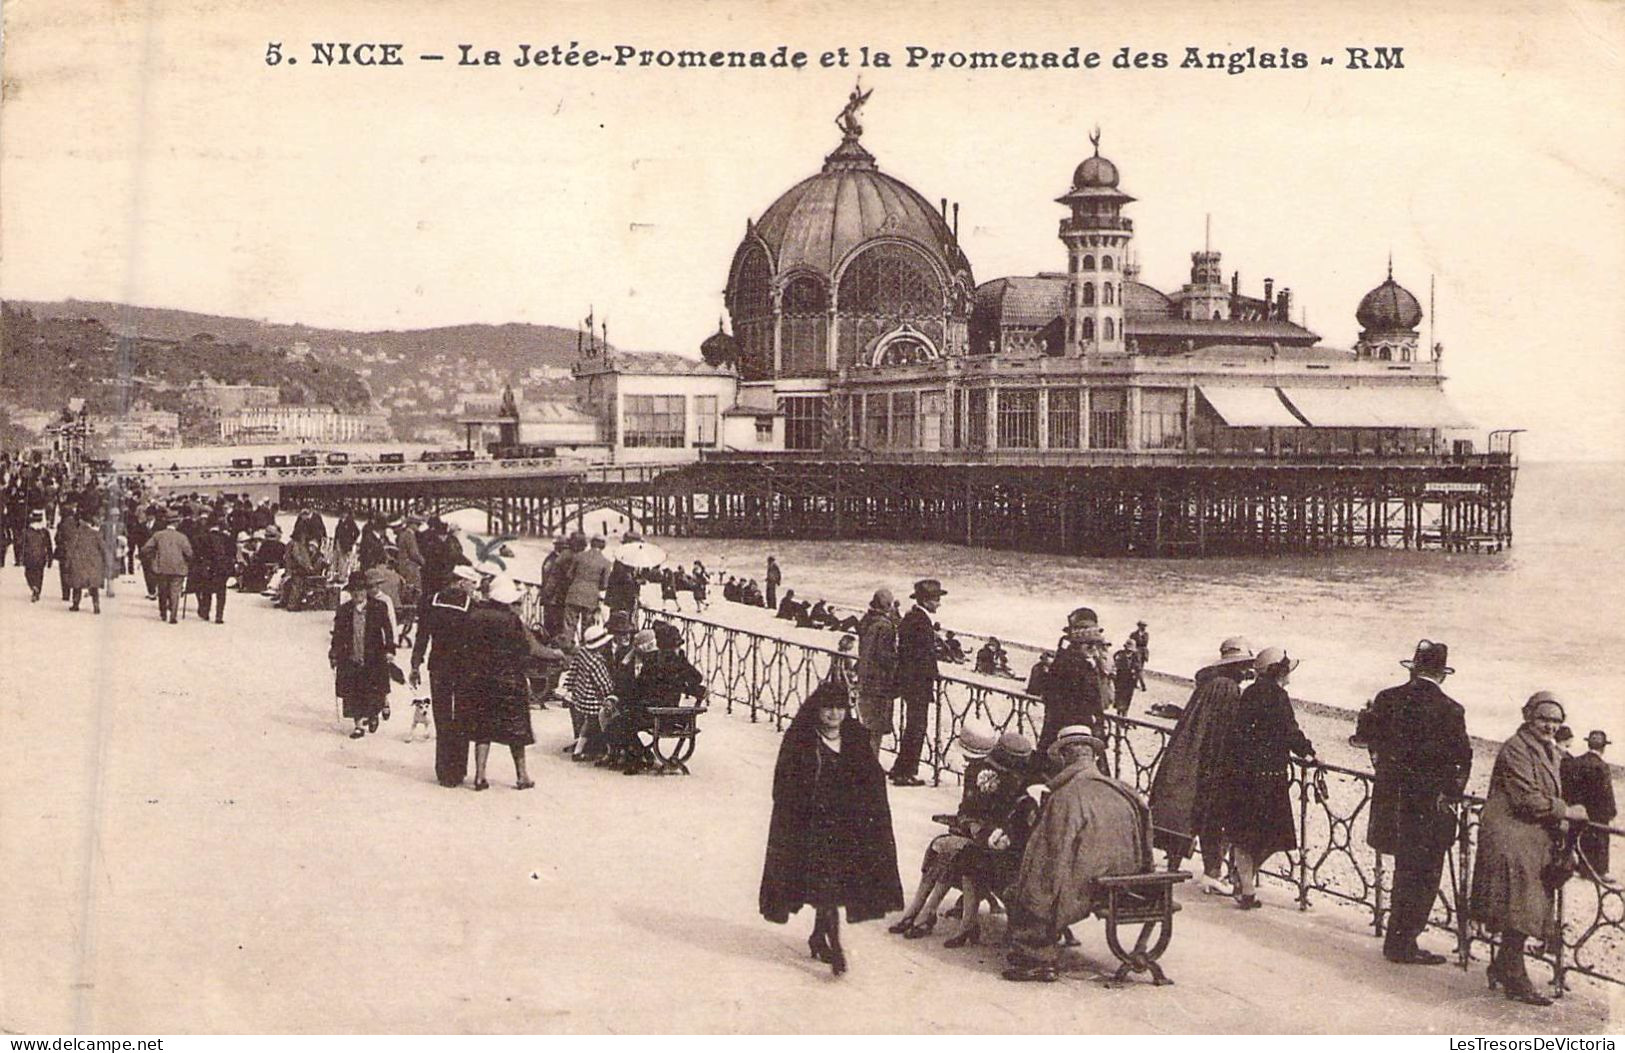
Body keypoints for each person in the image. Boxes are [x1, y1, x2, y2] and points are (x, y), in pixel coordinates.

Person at [759, 680, 904, 976]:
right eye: (828, 708)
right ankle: (835, 947)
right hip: (811, 827)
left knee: (832, 887)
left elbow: (872, 777)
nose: (834, 714)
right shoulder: (801, 738)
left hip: (847, 827)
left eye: (840, 708)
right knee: (826, 888)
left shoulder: (854, 737)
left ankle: (817, 936)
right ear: (817, 709)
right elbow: (784, 782)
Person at [1002, 726, 1153, 982]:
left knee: (1024, 887)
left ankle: (1037, 959)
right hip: (1131, 883)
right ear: (1092, 756)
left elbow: (1049, 856)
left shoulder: (1066, 797)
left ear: (1064, 757)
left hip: (1091, 886)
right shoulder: (1123, 789)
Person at [1355, 639, 1473, 964]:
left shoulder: (1388, 698)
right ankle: (1403, 942)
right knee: (1423, 876)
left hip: (1391, 803)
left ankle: (1397, 938)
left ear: (1414, 668)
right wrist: (1450, 795)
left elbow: (1369, 740)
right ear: (1443, 674)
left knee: (1402, 870)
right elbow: (1461, 759)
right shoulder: (1451, 710)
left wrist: (1384, 772)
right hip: (1427, 809)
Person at [1471, 691, 1587, 1007]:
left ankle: (1503, 966)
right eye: (1543, 719)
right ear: (1528, 717)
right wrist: (1567, 811)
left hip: (1529, 837)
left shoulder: (1545, 750)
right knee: (1520, 904)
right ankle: (1514, 976)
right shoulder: (1516, 749)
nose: (1549, 726)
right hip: (1511, 837)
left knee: (1523, 905)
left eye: (1555, 721)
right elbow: (1527, 799)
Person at [1148, 637, 1254, 894]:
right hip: (1211, 760)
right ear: (1236, 666)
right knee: (1213, 815)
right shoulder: (1227, 689)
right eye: (1244, 666)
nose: (1247, 671)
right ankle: (1213, 872)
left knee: (1185, 811)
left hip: (1189, 754)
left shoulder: (1210, 685)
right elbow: (1223, 730)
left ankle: (1173, 865)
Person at [1216, 646, 1315, 910]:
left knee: (1243, 833)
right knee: (1271, 835)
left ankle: (1245, 886)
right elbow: (1290, 731)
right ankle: (1243, 882)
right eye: (1285, 670)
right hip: (1269, 776)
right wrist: (1309, 752)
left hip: (1242, 774)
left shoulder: (1249, 693)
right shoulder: (1278, 697)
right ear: (1278, 672)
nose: (1289, 676)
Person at [460, 576, 535, 791]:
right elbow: (524, 649)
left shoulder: (474, 616)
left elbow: (467, 647)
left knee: (483, 729)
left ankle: (480, 776)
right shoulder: (512, 621)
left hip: (481, 679)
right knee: (516, 729)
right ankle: (522, 776)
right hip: (509, 679)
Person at [410, 564, 480, 787]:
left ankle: (444, 771)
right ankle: (458, 769)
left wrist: (415, 664)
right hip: (464, 667)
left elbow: (422, 635)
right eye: (472, 584)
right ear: (461, 582)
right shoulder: (471, 606)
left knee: (442, 718)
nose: (473, 588)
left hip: (438, 665)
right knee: (462, 715)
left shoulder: (432, 600)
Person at [890, 579, 945, 788]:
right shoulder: (921, 621)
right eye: (936, 599)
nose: (939, 603)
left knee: (912, 727)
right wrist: (933, 673)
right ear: (927, 601)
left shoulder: (911, 617)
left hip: (910, 682)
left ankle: (900, 767)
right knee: (917, 728)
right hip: (918, 684)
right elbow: (922, 655)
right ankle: (906, 772)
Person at [330, 571, 396, 740]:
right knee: (353, 691)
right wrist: (334, 653)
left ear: (366, 591)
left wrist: (390, 650)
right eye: (354, 591)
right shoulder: (344, 610)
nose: (358, 594)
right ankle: (358, 725)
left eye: (361, 590)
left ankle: (373, 714)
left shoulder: (378, 607)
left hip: (373, 657)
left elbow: (388, 630)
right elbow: (337, 634)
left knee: (373, 689)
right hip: (351, 656)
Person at [1036, 608, 1111, 755]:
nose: (1093, 648)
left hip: (1066, 731)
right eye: (1088, 644)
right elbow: (1094, 702)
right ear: (1077, 644)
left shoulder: (1067, 660)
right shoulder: (1074, 665)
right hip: (1074, 735)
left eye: (1095, 644)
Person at [1565, 731, 1617, 883]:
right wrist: (1612, 811)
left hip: (1579, 808)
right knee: (1600, 839)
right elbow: (1607, 792)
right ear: (1603, 748)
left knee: (1581, 837)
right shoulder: (1602, 766)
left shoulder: (1576, 762)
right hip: (1599, 812)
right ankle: (1599, 871)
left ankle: (1582, 867)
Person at [561, 625, 617, 760]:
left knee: (589, 723)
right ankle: (607, 750)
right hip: (593, 699)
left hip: (580, 695)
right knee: (603, 720)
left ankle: (581, 748)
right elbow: (604, 685)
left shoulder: (582, 653)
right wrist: (613, 694)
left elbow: (573, 671)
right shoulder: (596, 661)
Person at [140, 512, 193, 624]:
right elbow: (189, 553)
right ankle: (173, 615)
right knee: (175, 592)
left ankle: (163, 612)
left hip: (161, 567)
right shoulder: (182, 537)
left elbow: (145, 548)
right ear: (176, 523)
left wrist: (153, 557)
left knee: (162, 591)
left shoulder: (158, 535)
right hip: (178, 568)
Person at [192, 517, 236, 624]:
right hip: (222, 567)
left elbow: (197, 554)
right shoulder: (226, 538)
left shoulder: (202, 538)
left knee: (207, 590)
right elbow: (232, 552)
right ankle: (219, 615)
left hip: (208, 567)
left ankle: (205, 612)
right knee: (221, 592)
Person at [60, 512, 107, 614]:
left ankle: (76, 604)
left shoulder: (76, 535)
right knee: (94, 586)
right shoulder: (96, 534)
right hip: (93, 563)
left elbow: (70, 549)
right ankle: (96, 605)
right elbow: (103, 548)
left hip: (78, 562)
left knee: (77, 585)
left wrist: (67, 562)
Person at [564, 535, 609, 639]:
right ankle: (586, 649)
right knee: (588, 627)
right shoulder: (606, 562)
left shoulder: (579, 556)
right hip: (591, 597)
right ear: (603, 546)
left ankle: (566, 648)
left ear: (591, 543)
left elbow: (569, 575)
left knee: (569, 625)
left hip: (574, 594)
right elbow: (604, 585)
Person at [19, 509, 53, 603]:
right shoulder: (44, 532)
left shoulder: (27, 531)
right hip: (41, 557)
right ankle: (37, 589)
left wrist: (20, 557)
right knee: (39, 574)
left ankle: (33, 586)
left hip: (29, 556)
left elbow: (21, 544)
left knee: (28, 573)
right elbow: (49, 546)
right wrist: (50, 558)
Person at [1111, 643, 1142, 715]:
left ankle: (1125, 714)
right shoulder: (1120, 655)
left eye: (1130, 650)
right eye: (1127, 650)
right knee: (1120, 697)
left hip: (1130, 682)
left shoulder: (1135, 656)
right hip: (1120, 680)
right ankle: (1118, 714)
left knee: (1128, 698)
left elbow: (1139, 669)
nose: (1129, 652)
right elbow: (1115, 664)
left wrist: (1141, 684)